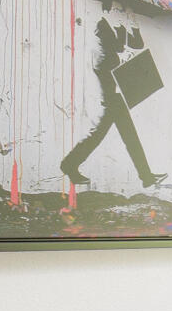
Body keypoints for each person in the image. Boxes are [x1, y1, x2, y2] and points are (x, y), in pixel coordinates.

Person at [59, 16, 166, 190]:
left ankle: (146, 176)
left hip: (114, 93)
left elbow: (129, 45)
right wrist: (120, 58)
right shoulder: (99, 29)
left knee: (124, 134)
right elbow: (104, 59)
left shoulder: (109, 24)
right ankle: (70, 163)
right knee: (104, 134)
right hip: (109, 92)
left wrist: (131, 28)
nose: (117, 10)